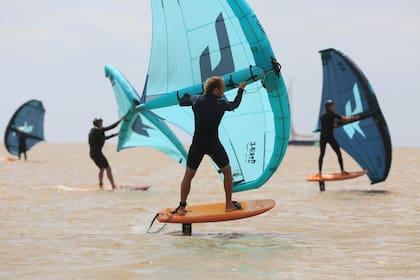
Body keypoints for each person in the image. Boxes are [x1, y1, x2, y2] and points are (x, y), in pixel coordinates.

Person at [174, 76, 247, 215]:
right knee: (227, 172)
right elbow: (234, 105)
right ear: (216, 90)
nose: (224, 90)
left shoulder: (196, 100)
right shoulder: (221, 104)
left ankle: (182, 207)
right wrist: (241, 89)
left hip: (197, 145)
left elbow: (182, 102)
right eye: (222, 88)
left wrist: (188, 95)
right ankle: (228, 205)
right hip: (213, 144)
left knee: (188, 175)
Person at [318, 100, 359, 176]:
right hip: (330, 137)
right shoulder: (332, 114)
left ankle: (320, 172)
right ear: (329, 107)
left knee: (322, 154)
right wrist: (355, 118)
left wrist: (334, 125)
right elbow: (344, 119)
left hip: (323, 137)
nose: (334, 107)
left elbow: (327, 125)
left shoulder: (322, 115)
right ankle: (342, 171)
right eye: (333, 106)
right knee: (338, 153)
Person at [88, 117, 123, 190]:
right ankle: (113, 185)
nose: (101, 123)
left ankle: (100, 185)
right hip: (97, 153)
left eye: (101, 122)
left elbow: (104, 138)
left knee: (101, 168)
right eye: (100, 122)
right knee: (108, 168)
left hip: (93, 154)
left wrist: (115, 134)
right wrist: (121, 119)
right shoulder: (96, 130)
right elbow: (112, 126)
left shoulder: (96, 132)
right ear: (97, 124)